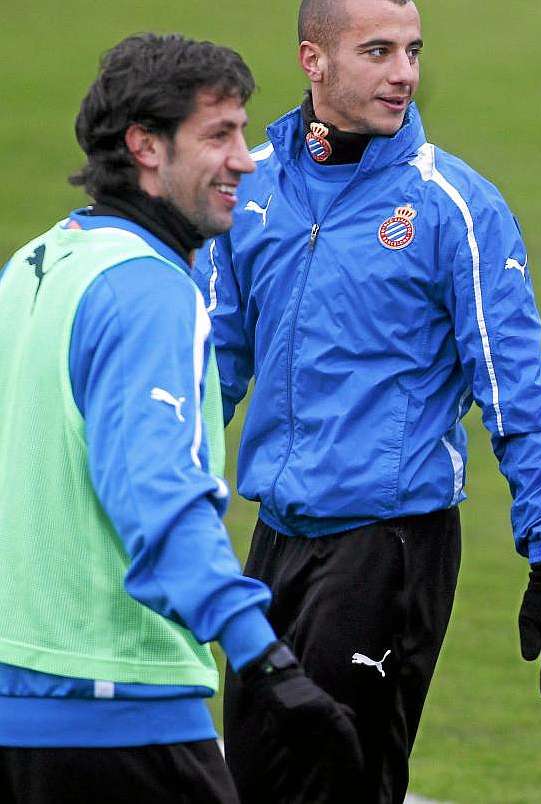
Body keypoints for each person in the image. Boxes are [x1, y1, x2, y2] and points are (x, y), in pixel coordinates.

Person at [191, 1, 541, 801]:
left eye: (412, 51)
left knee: (339, 783)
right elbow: (209, 374)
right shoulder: (251, 187)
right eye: (377, 51)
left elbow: (516, 390)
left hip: (389, 549)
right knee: (250, 781)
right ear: (313, 60)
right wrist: (147, 502)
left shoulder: (455, 207)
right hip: (275, 543)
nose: (404, 73)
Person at [0, 33, 361, 803]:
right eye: (218, 135)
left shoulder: (34, 264)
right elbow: (157, 493)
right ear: (146, 147)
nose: (245, 160)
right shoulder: (150, 291)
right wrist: (267, 660)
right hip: (116, 705)